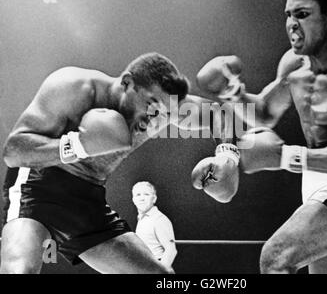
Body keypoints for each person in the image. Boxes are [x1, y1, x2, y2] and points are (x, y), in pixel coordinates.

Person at [192, 0, 327, 274]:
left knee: (275, 258)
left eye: (302, 14)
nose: (291, 24)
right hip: (317, 182)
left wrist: (287, 157)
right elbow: (265, 113)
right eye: (288, 14)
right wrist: (232, 91)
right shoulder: (294, 62)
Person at [1, 52, 239, 274]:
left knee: (162, 276)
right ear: (127, 83)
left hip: (88, 201)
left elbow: (218, 114)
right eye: (150, 104)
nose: (154, 118)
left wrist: (227, 155)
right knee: (20, 269)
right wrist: (77, 145)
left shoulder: (167, 108)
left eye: (163, 114)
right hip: (36, 190)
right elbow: (14, 151)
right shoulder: (75, 87)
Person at [132, 181, 177, 269]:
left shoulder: (159, 219)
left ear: (154, 198)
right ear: (133, 199)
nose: (142, 198)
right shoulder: (142, 218)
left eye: (146, 194)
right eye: (138, 195)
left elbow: (171, 251)